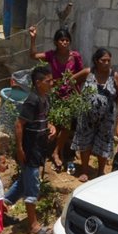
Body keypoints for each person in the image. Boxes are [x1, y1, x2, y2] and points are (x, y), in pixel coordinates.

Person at [5, 66, 55, 234]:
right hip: (30, 149)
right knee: (32, 185)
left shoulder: (45, 99)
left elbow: (43, 121)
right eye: (48, 81)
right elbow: (19, 124)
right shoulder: (32, 100)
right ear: (38, 83)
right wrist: (19, 148)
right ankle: (33, 225)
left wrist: (50, 127)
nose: (51, 83)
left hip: (38, 148)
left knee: (23, 182)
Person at [28, 26, 83, 172]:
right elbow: (33, 56)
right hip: (54, 94)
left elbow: (82, 74)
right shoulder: (51, 55)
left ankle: (57, 152)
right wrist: (33, 39)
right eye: (61, 40)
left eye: (67, 40)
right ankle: (46, 152)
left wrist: (76, 88)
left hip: (70, 96)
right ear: (56, 42)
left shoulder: (75, 56)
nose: (64, 43)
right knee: (51, 123)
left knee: (66, 125)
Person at [71, 48, 118, 181]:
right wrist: (79, 97)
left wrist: (109, 105)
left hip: (106, 118)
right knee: (85, 141)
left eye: (108, 60)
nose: (106, 63)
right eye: (103, 60)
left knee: (104, 142)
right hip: (86, 116)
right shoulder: (88, 73)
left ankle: (100, 171)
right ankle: (84, 171)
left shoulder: (114, 76)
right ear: (96, 61)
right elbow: (71, 81)